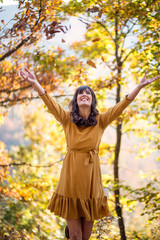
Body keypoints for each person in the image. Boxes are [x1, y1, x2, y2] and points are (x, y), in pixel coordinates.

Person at [19, 67, 158, 240]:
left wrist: (138, 86)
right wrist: (35, 83)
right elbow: (50, 102)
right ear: (76, 100)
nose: (84, 95)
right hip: (70, 182)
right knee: (76, 236)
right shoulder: (67, 119)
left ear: (92, 100)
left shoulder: (101, 120)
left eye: (88, 94)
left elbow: (123, 105)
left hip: (92, 183)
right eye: (80, 94)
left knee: (85, 237)